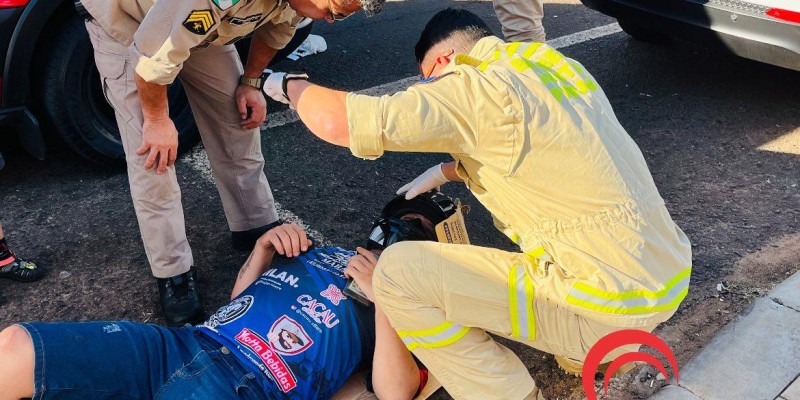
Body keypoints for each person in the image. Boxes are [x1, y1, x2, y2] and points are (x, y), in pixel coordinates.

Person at [261, 8, 692, 399]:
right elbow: (546, 146)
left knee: (396, 275)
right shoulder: (551, 64)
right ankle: (588, 352)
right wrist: (448, 171)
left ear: (446, 61)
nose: (431, 90)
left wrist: (283, 82)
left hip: (605, 301)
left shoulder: (477, 87)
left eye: (429, 80)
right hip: (666, 275)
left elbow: (338, 121)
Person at [76, 0, 386, 326]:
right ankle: (173, 272)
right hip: (131, 23)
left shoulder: (305, 2)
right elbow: (154, 55)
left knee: (236, 120)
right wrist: (157, 119)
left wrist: (251, 83)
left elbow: (277, 28)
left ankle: (256, 227)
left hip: (190, 22)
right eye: (334, 11)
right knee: (153, 155)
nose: (332, 21)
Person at [0, 190, 460, 400]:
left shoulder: (409, 306)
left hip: (250, 384)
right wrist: (262, 250)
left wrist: (384, 299)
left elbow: (396, 393)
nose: (397, 233)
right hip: (187, 344)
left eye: (417, 230)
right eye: (403, 219)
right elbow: (237, 307)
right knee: (15, 347)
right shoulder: (330, 253)